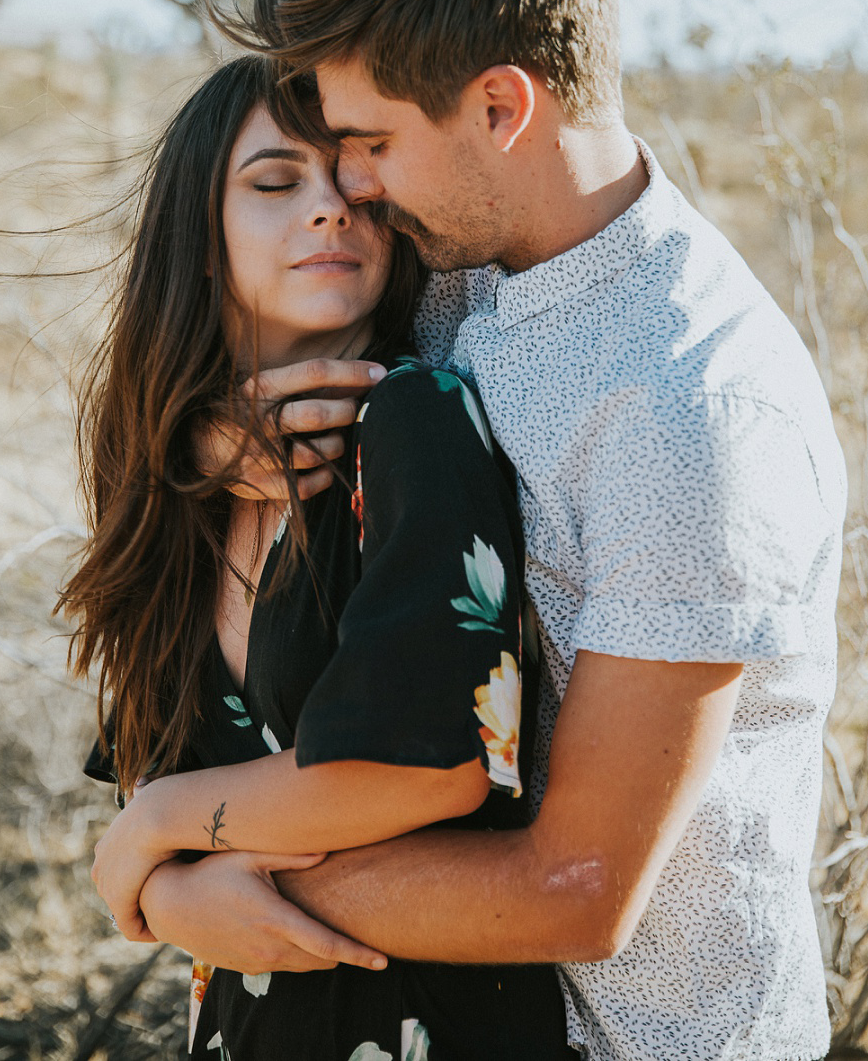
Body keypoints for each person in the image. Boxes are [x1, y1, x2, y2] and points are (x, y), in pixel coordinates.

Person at [144, 0, 848, 1061]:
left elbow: (574, 889)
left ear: (502, 106)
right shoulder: (465, 262)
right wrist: (215, 438)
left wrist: (179, 870)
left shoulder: (691, 414)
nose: (349, 186)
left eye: (368, 142)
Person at [62, 54, 574, 1060]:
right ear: (201, 238)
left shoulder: (420, 421)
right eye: (274, 182)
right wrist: (166, 885)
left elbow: (428, 765)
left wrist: (151, 837)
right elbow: (150, 790)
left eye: (355, 185)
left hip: (430, 1026)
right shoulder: (169, 493)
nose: (332, 209)